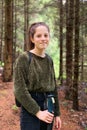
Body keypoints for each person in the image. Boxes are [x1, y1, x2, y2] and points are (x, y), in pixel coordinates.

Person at [13, 22, 61, 130]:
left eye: (46, 35)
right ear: (32, 39)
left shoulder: (49, 60)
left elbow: (53, 89)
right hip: (30, 107)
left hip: (49, 105)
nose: (43, 38)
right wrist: (38, 112)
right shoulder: (24, 58)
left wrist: (57, 114)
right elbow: (19, 90)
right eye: (39, 36)